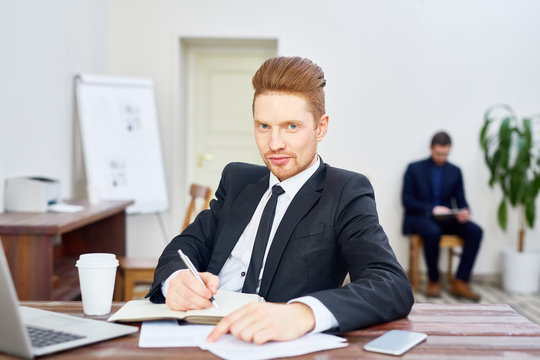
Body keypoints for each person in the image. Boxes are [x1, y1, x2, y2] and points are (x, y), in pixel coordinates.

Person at [147, 56, 413, 344]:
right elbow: (186, 245)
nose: (274, 144)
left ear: (320, 127)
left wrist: (302, 313)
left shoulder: (345, 191)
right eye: (263, 126)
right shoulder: (238, 180)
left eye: (291, 127)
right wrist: (176, 280)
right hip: (198, 333)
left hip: (272, 345)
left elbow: (391, 285)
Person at [402, 131, 483, 301]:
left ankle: (460, 281)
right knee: (432, 231)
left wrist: (464, 211)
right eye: (438, 153)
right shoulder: (414, 168)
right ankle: (434, 280)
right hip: (420, 217)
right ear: (431, 148)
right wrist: (432, 209)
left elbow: (461, 200)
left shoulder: (455, 171)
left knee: (475, 231)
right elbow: (407, 200)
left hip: (445, 218)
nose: (441, 157)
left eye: (445, 154)